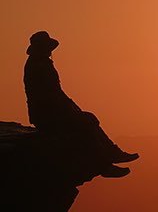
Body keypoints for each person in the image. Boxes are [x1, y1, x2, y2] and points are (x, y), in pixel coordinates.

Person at [23, 31, 139, 178]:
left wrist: (71, 107)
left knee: (87, 119)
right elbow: (51, 96)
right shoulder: (39, 66)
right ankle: (106, 163)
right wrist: (70, 110)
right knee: (87, 123)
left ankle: (112, 155)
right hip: (47, 116)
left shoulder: (38, 64)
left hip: (47, 114)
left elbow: (56, 94)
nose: (49, 51)